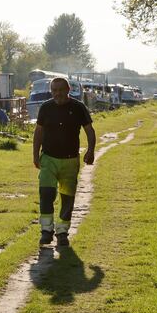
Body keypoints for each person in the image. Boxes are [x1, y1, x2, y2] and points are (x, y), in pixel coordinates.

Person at [33, 77, 96, 248]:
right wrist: (35, 155)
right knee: (46, 193)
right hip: (48, 159)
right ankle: (46, 231)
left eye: (61, 90)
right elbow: (38, 132)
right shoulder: (46, 108)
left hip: (70, 161)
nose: (57, 93)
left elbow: (89, 130)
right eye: (54, 90)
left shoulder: (78, 107)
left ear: (68, 89)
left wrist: (91, 150)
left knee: (67, 197)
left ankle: (62, 233)